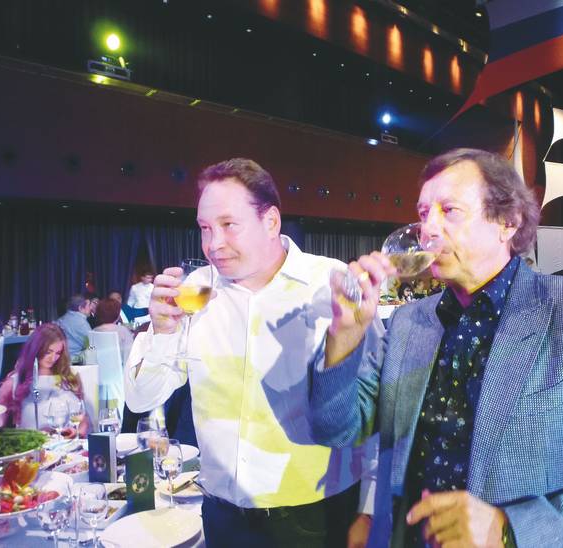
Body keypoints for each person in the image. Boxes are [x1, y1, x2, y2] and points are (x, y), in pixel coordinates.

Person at [310, 148, 563, 547]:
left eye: (449, 210)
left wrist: (509, 530)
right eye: (423, 213)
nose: (427, 229)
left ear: (508, 221)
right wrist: (346, 332)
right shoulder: (408, 322)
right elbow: (335, 428)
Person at [124, 158, 379, 548]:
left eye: (229, 225)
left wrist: (369, 509)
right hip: (221, 513)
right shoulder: (196, 290)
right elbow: (142, 399)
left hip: (313, 514)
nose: (214, 244)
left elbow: (374, 406)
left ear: (271, 221)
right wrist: (161, 332)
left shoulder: (330, 284)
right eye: (205, 228)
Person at [0, 323, 89, 436]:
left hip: (66, 443)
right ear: (36, 349)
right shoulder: (14, 382)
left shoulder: (69, 378)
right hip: (32, 444)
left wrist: (76, 432)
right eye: (48, 352)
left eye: (58, 353)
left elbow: (83, 419)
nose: (53, 358)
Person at [93, 298, 134, 366]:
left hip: (97, 370)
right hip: (120, 370)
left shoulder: (93, 331)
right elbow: (130, 357)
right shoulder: (123, 331)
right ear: (117, 314)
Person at [56, 294, 92, 362]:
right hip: (75, 361)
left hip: (60, 361)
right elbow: (90, 345)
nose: (91, 308)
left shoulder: (61, 320)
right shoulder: (82, 324)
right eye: (89, 305)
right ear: (80, 308)